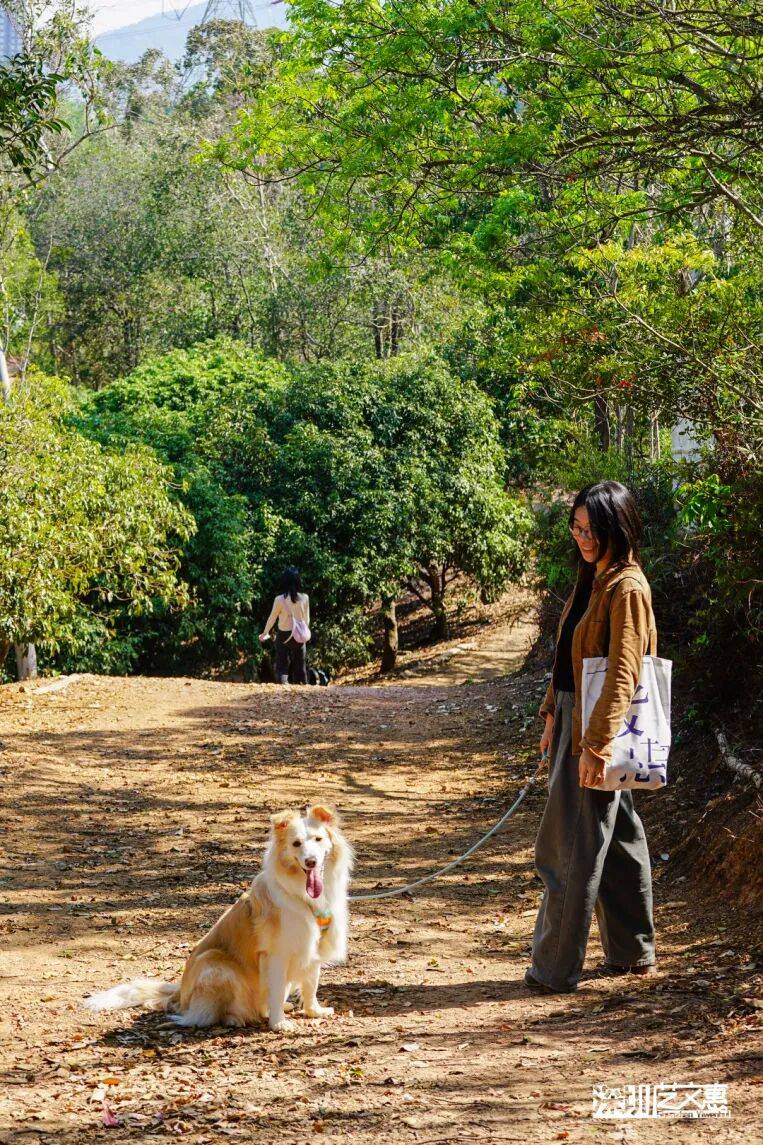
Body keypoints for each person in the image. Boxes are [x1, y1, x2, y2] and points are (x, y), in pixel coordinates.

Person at [525, 481, 658, 994]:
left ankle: (554, 968)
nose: (582, 537)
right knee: (617, 833)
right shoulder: (594, 577)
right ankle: (631, 949)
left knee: (570, 847)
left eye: (592, 529)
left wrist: (595, 746)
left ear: (615, 529)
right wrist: (550, 716)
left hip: (597, 727)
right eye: (577, 528)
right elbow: (568, 661)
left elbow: (624, 671)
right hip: (575, 718)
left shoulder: (627, 588)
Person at [260, 568, 310, 685]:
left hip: (283, 634)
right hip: (299, 634)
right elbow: (306, 619)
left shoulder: (279, 599)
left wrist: (265, 632)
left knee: (282, 662)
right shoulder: (305, 598)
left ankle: (283, 684)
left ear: (284, 581)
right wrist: (304, 633)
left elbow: (272, 618)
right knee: (300, 663)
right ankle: (302, 685)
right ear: (298, 581)